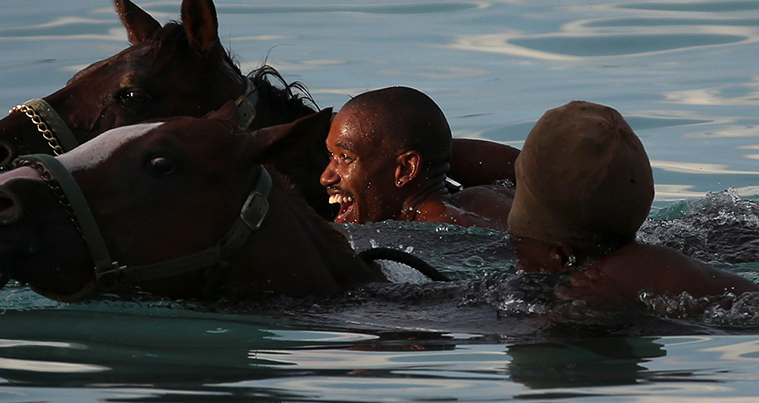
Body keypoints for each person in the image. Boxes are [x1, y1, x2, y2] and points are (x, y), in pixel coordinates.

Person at [509, 100, 757, 306]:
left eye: (521, 249)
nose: (519, 264)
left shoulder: (587, 298)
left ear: (563, 257)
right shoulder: (680, 252)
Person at [319, 86, 514, 229]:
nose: (326, 177)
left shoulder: (435, 232)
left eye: (346, 157)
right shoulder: (493, 195)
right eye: (331, 155)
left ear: (406, 169)